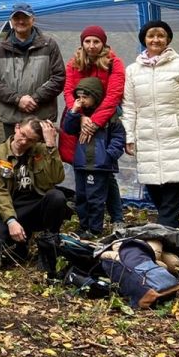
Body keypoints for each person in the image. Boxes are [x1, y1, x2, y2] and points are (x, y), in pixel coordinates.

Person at [122, 21, 179, 229]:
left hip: (177, 135)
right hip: (146, 137)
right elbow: (129, 106)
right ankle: (173, 232)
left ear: (167, 39)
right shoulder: (133, 70)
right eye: (151, 36)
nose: (155, 40)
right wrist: (129, 136)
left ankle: (163, 235)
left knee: (172, 189)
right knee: (154, 188)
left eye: (160, 36)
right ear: (144, 39)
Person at [59, 25, 126, 228]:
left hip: (104, 119)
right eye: (87, 41)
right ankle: (84, 214)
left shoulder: (114, 63)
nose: (91, 45)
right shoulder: (74, 62)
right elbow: (69, 91)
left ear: (103, 42)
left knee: (103, 171)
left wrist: (95, 122)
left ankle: (116, 217)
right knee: (80, 164)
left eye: (96, 41)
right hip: (77, 117)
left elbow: (114, 95)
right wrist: (79, 116)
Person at [0, 117, 70, 261]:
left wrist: (51, 145)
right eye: (22, 135)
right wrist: (11, 221)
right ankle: (21, 242)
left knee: (57, 197)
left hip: (36, 204)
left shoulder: (41, 149)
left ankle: (49, 244)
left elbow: (57, 178)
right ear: (16, 127)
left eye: (30, 140)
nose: (24, 142)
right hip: (11, 205)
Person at [0, 3, 65, 141]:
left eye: (25, 17)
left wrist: (36, 98)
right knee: (14, 159)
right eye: (16, 18)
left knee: (42, 160)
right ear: (11, 21)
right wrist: (17, 99)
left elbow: (59, 77)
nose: (21, 21)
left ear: (33, 19)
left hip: (42, 118)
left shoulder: (49, 45)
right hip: (12, 118)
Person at [61, 77, 126, 238]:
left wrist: (109, 155)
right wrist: (74, 111)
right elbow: (68, 128)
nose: (81, 101)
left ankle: (94, 229)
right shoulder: (79, 117)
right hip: (81, 164)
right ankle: (84, 227)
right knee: (81, 197)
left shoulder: (109, 117)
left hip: (99, 166)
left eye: (85, 97)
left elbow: (119, 138)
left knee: (95, 198)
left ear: (95, 96)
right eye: (79, 97)